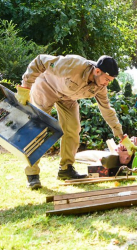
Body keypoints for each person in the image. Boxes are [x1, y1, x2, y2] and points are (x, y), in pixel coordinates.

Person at [15, 54, 125, 189]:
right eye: (106, 79)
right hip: (46, 88)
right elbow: (39, 61)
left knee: (73, 129)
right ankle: (32, 175)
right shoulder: (74, 65)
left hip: (67, 98)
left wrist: (120, 134)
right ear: (97, 71)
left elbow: (106, 109)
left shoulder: (100, 86)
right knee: (40, 129)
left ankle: (65, 169)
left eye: (110, 81)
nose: (107, 83)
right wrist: (25, 86)